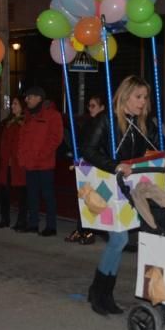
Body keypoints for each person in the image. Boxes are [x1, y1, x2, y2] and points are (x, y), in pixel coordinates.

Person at [81, 76, 165, 316]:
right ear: (125, 96)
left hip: (131, 188)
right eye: (138, 97)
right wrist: (114, 165)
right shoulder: (107, 120)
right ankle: (100, 292)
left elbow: (161, 144)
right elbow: (87, 150)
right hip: (107, 188)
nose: (142, 102)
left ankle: (100, 291)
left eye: (145, 97)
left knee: (121, 240)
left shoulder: (144, 122)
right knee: (119, 240)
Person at [17, 85, 64, 236]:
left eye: (29, 97)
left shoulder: (52, 116)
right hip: (30, 164)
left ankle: (51, 226)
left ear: (38, 98)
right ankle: (33, 224)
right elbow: (22, 139)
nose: (26, 100)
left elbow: (56, 138)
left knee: (48, 195)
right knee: (32, 195)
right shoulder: (28, 116)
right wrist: (22, 158)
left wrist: (41, 155)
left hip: (44, 164)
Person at [66, 95, 106, 244]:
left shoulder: (102, 123)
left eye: (93, 106)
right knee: (83, 197)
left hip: (96, 166)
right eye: (89, 106)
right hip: (86, 166)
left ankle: (89, 231)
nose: (90, 109)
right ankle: (82, 229)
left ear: (102, 107)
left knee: (93, 199)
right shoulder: (90, 122)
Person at [0, 96, 27, 230]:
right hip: (7, 163)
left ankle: (21, 221)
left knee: (22, 194)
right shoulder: (8, 122)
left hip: (19, 164)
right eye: (12, 104)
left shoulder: (25, 122)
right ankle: (5, 218)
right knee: (4, 192)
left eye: (16, 104)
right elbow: (3, 141)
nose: (13, 106)